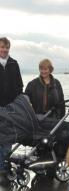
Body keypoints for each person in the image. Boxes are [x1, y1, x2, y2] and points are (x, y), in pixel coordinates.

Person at [0, 37, 23, 172]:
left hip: (11, 107)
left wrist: (19, 103)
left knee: (8, 137)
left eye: (6, 47)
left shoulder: (14, 64)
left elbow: (19, 85)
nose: (4, 50)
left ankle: (5, 166)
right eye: (2, 47)